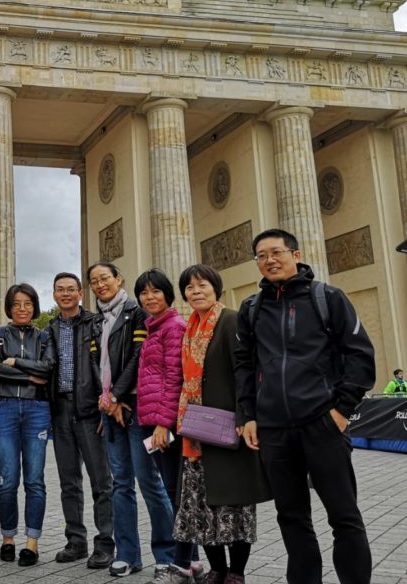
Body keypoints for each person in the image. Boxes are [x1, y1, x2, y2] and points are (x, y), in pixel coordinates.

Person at [235, 229, 376, 584]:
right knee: (292, 518)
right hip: (274, 430)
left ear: (295, 255)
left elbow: (360, 356)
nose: (269, 260)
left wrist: (341, 411)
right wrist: (248, 415)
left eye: (276, 252)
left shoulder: (327, 298)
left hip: (322, 424)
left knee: (344, 517)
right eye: (261, 255)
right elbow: (245, 365)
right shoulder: (252, 309)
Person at [169, 264, 270, 584]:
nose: (196, 291)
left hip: (228, 429)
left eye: (202, 285)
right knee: (199, 506)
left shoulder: (229, 320)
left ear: (216, 288)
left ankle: (236, 572)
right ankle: (217, 569)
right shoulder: (190, 328)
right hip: (196, 433)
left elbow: (246, 371)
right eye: (189, 287)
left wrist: (245, 417)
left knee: (235, 503)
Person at [89, 261, 175, 578]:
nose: (100, 285)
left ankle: (167, 553)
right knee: (120, 485)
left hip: (137, 407)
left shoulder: (136, 311)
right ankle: (127, 555)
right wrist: (105, 402)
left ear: (118, 279)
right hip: (110, 411)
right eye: (94, 281)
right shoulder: (96, 320)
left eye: (105, 278)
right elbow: (97, 365)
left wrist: (117, 397)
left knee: (149, 482)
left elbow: (140, 357)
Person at [134, 269, 206, 584]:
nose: (149, 298)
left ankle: (181, 565)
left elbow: (174, 378)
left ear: (167, 294)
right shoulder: (155, 327)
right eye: (144, 293)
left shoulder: (173, 327)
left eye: (155, 291)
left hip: (168, 424)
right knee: (175, 491)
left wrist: (163, 424)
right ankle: (192, 561)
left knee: (178, 494)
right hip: (155, 422)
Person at [47, 271, 115, 570]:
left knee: (102, 482)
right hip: (59, 410)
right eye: (60, 289)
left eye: (71, 289)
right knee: (68, 482)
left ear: (80, 294)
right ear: (54, 295)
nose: (65, 294)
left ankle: (105, 543)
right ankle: (76, 541)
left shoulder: (95, 323)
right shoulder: (47, 329)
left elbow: (108, 364)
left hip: (89, 410)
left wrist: (105, 406)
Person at [0, 283, 54, 567]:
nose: (22, 308)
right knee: (7, 479)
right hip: (3, 408)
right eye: (17, 303)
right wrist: (29, 375)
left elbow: (48, 367)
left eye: (28, 303)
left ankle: (32, 542)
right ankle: (8, 538)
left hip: (37, 409)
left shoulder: (44, 336)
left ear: (35, 306)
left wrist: (15, 362)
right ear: (9, 307)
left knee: (35, 480)